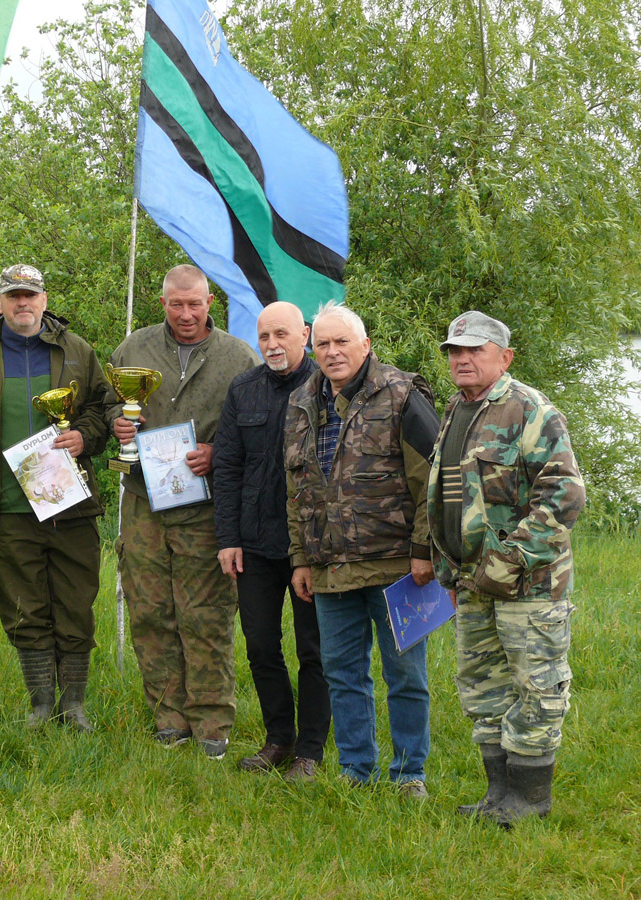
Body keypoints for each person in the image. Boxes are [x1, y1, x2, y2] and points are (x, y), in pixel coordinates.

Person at [427, 311, 584, 826]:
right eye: (455, 350)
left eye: (474, 349)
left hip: (529, 586)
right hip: (471, 583)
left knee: (535, 689)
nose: (462, 358)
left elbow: (563, 495)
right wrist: (448, 564)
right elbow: (450, 495)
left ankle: (531, 800)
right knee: (484, 688)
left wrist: (510, 560)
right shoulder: (457, 408)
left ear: (505, 357)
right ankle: (498, 796)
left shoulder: (530, 409)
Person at [285, 301, 440, 796]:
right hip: (330, 568)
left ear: (365, 345)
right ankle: (357, 772)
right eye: (323, 344)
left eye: (342, 342)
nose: (332, 352)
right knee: (343, 675)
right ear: (312, 347)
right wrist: (300, 559)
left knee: (405, 675)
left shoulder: (402, 394)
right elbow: (296, 490)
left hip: (400, 567)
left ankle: (409, 773)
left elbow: (435, 484)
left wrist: (424, 550)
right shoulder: (301, 403)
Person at [108, 264, 259, 760]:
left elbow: (253, 429)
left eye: (195, 304)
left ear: (210, 302)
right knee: (151, 611)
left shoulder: (238, 358)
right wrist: (119, 425)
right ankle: (169, 718)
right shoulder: (134, 349)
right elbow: (110, 404)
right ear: (163, 303)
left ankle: (212, 722)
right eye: (177, 304)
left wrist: (218, 453)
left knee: (206, 615)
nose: (187, 313)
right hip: (143, 502)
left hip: (206, 506)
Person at [0, 264, 110, 731]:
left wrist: (84, 436)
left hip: (69, 504)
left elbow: (104, 407)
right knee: (24, 607)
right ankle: (41, 705)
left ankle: (74, 705)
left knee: (76, 604)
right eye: (13, 296)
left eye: (31, 295)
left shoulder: (77, 350)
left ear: (44, 299)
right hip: (6, 505)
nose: (23, 304)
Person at [214, 301, 330, 781]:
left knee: (313, 650)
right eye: (264, 337)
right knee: (260, 645)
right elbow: (226, 466)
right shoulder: (243, 390)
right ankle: (278, 739)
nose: (272, 345)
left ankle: (311, 750)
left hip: (314, 546)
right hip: (255, 544)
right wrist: (228, 538)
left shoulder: (329, 388)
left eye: (281, 334)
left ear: (304, 334)